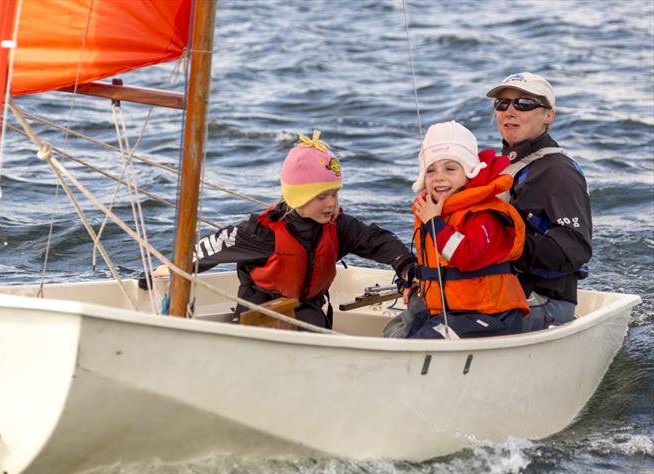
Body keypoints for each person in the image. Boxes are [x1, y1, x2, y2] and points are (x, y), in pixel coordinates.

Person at [155, 130, 416, 329]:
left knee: (313, 331)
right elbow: (216, 245)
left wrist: (405, 265)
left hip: (309, 308)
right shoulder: (263, 233)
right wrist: (175, 266)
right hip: (260, 310)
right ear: (297, 199)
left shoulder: (339, 227)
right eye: (321, 196)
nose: (331, 203)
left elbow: (377, 240)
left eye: (335, 194)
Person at [403, 121, 529, 339]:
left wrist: (434, 223)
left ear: (469, 171)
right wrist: (419, 279)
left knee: (425, 340)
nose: (439, 177)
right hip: (451, 312)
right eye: (431, 171)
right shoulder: (435, 211)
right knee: (404, 336)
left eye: (450, 168)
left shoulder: (486, 214)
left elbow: (465, 256)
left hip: (492, 315)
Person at [487, 72, 592, 331]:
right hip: (496, 288)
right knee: (421, 309)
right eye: (502, 104)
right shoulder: (495, 167)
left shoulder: (558, 172)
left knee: (451, 322)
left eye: (523, 103)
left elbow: (575, 250)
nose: (509, 111)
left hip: (544, 301)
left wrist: (500, 243)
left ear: (548, 116)